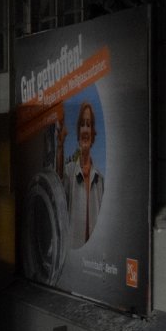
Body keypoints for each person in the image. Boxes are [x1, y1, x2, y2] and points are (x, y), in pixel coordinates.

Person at [57, 101, 104, 246]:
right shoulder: (70, 171)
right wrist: (60, 146)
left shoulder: (100, 180)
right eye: (82, 124)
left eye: (88, 125)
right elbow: (58, 185)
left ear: (93, 134)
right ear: (78, 133)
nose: (85, 129)